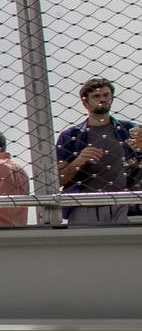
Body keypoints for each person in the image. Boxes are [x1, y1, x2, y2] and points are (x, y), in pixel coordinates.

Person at [56, 77, 138, 225]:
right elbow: (59, 179)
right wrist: (79, 161)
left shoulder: (129, 130)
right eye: (96, 96)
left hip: (124, 205)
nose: (103, 99)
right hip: (84, 205)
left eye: (106, 95)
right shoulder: (70, 136)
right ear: (85, 103)